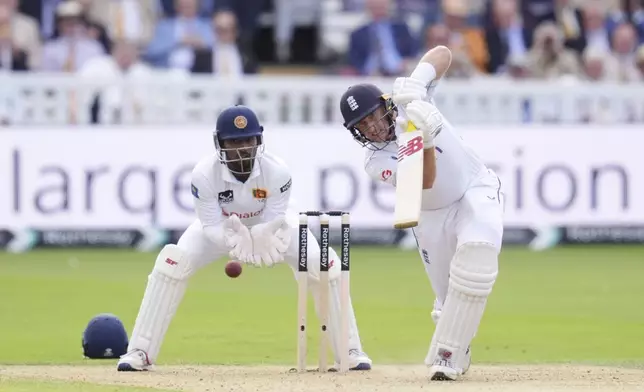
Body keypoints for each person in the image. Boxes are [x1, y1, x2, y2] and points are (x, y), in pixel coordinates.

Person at [116, 105, 372, 372]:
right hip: (224, 227)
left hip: (273, 225)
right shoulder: (203, 174)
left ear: (258, 141)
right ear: (220, 143)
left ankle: (350, 350)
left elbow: (276, 216)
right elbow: (210, 225)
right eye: (234, 142)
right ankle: (140, 351)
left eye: (247, 140)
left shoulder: (278, 172)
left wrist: (264, 233)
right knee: (172, 262)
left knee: (323, 264)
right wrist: (233, 241)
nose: (241, 149)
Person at [339, 45, 504, 381]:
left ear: (385, 105)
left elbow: (443, 53)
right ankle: (458, 344)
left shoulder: (412, 102)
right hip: (431, 215)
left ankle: (448, 355)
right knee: (449, 300)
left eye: (372, 115)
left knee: (477, 256)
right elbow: (425, 182)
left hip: (475, 187)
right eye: (362, 124)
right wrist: (426, 139)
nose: (371, 127)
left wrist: (417, 83)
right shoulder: (375, 161)